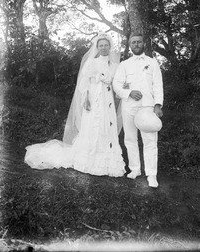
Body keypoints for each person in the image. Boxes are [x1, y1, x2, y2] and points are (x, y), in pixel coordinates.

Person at [24, 33, 125, 177]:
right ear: (97, 47)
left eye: (106, 45)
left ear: (110, 46)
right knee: (93, 125)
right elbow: (83, 83)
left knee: (106, 126)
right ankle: (88, 160)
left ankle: (108, 162)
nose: (103, 48)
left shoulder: (115, 65)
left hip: (107, 102)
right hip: (94, 99)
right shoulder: (92, 63)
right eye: (101, 45)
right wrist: (86, 99)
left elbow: (117, 83)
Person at [112, 33, 163, 187]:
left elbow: (158, 85)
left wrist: (158, 105)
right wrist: (129, 93)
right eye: (133, 42)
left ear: (143, 43)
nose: (136, 44)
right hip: (129, 106)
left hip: (147, 106)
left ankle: (151, 174)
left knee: (150, 141)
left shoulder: (152, 63)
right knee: (130, 138)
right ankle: (135, 169)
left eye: (139, 42)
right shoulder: (124, 64)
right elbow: (117, 84)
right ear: (130, 45)